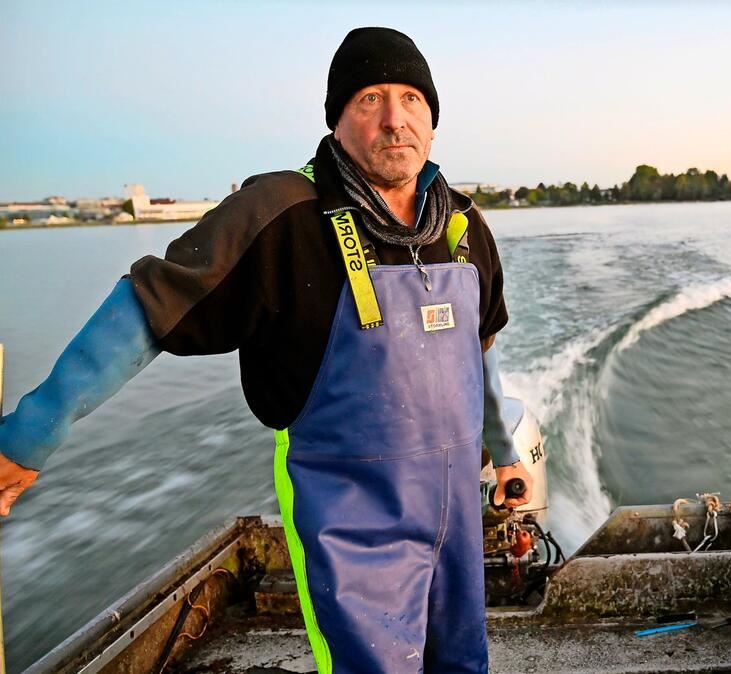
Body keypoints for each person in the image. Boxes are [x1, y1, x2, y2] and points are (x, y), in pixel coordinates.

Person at [0, 27, 529, 673]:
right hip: (348, 509)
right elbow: (147, 309)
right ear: (337, 120)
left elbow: (482, 352)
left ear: (433, 120)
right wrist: (30, 435)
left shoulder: (463, 224)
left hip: (455, 504)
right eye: (370, 99)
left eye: (412, 99)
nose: (395, 120)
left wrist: (505, 453)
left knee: (462, 661)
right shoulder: (279, 211)